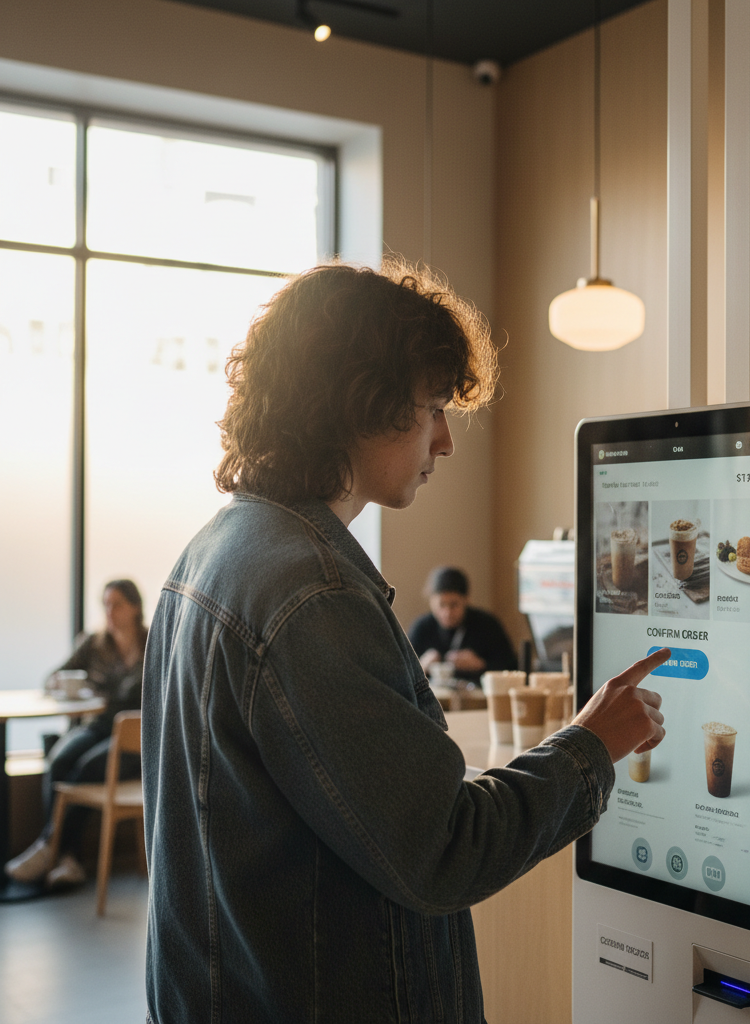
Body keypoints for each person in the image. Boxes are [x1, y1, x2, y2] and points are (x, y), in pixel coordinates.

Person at [142, 258, 667, 1023]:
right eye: (430, 408)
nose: (446, 441)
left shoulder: (214, 551)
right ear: (358, 407)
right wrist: (591, 744)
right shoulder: (312, 593)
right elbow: (444, 849)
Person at [5, 579, 147, 889]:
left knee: (86, 769)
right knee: (59, 761)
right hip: (97, 725)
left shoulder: (152, 643)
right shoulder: (95, 644)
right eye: (106, 604)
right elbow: (54, 677)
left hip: (133, 742)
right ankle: (65, 855)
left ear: (135, 607)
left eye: (117, 604)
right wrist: (73, 688)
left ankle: (51, 849)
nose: (109, 612)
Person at [409, 565, 517, 684]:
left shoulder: (487, 625)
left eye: (454, 605)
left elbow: (513, 669)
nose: (447, 613)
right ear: (431, 602)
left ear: (466, 600)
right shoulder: (422, 628)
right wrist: (421, 666)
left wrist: (481, 665)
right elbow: (402, 676)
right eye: (441, 605)